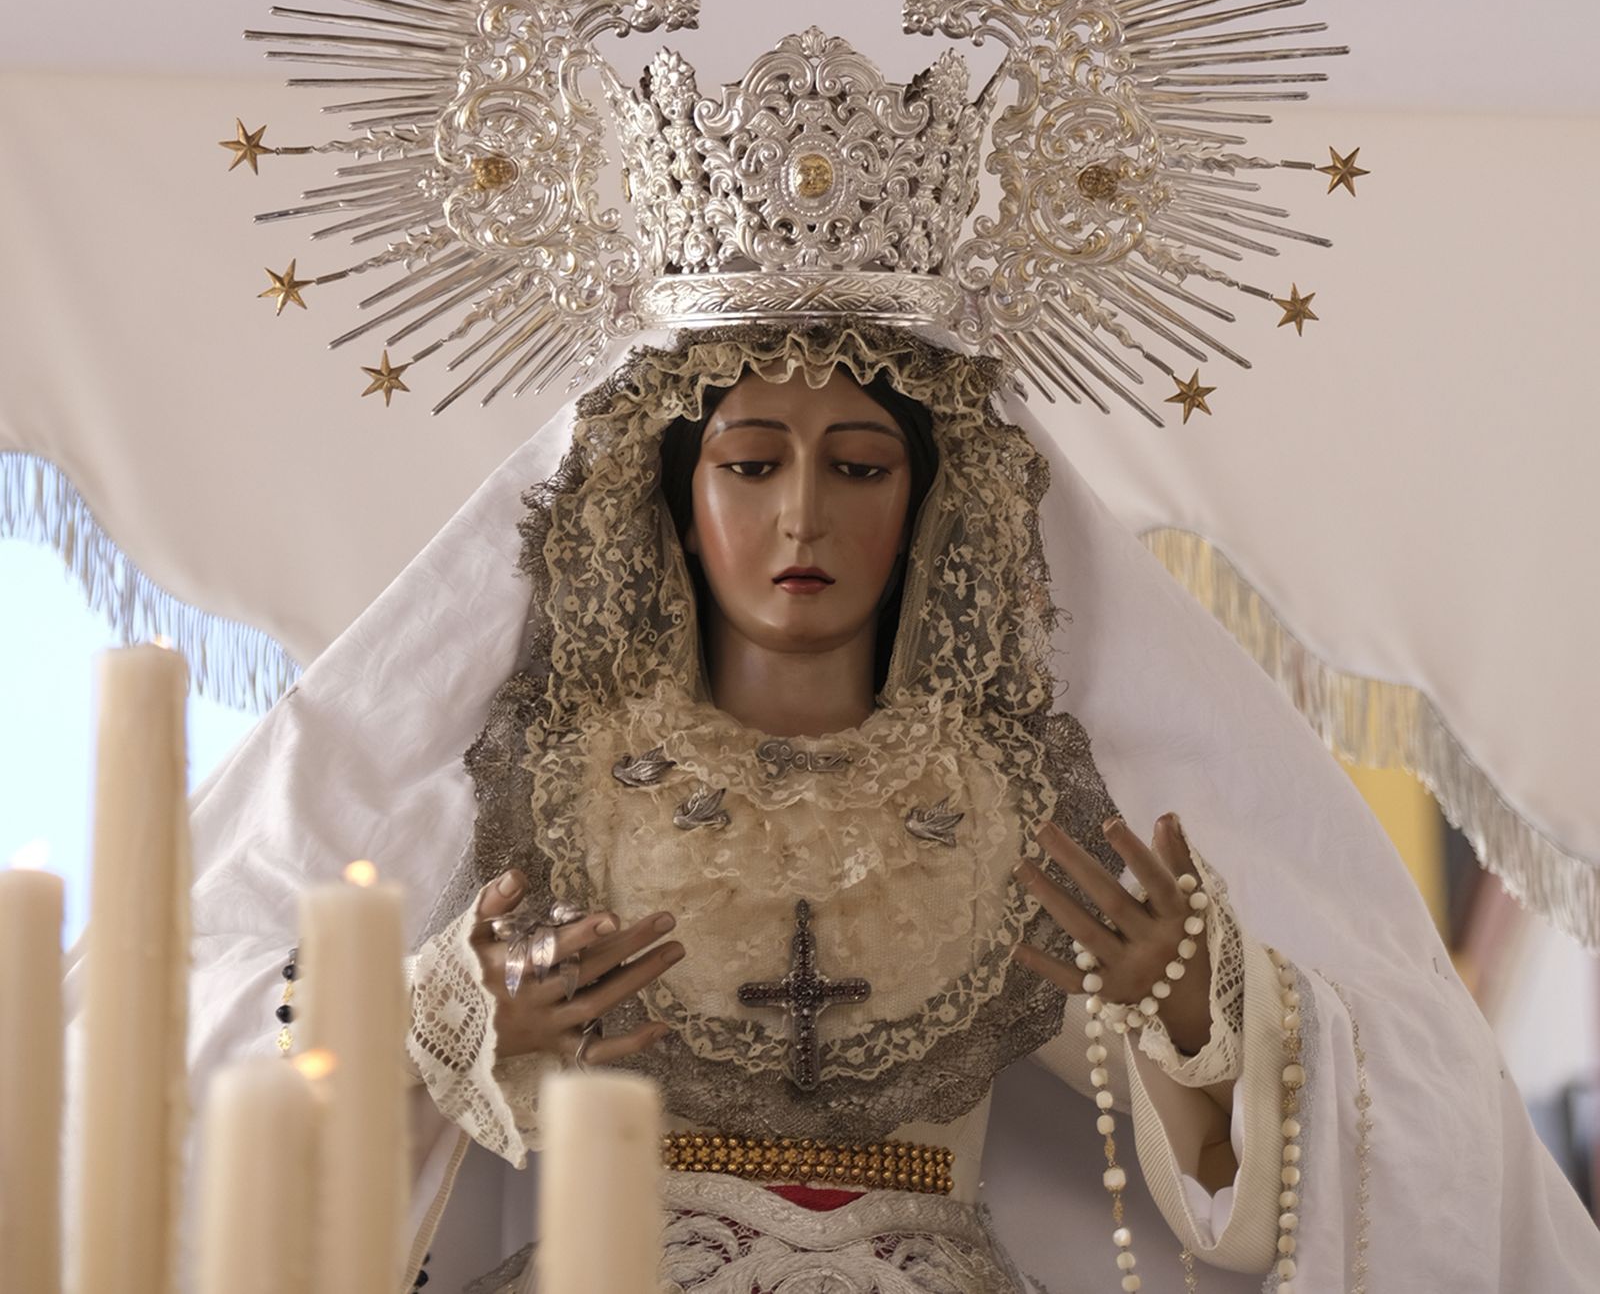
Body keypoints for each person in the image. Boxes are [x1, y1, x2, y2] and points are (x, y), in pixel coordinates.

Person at [187, 316, 1600, 1293]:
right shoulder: (552, 792)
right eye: (751, 462)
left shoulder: (1006, 808)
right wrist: (442, 1023)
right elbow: (224, 1020)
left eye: (859, 465)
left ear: (926, 504)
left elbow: (1291, 1166)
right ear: (677, 498)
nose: (802, 515)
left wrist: (1193, 1009)